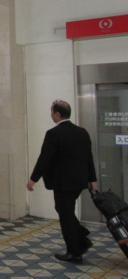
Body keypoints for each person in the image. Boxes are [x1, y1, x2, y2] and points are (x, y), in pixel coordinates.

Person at [27, 99, 98, 263]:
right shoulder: (82, 132)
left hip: (62, 182)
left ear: (57, 114)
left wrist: (33, 179)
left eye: (52, 112)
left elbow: (44, 159)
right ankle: (81, 238)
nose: (51, 115)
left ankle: (75, 251)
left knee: (65, 215)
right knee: (65, 211)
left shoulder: (53, 134)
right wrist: (92, 180)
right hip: (79, 181)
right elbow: (88, 158)